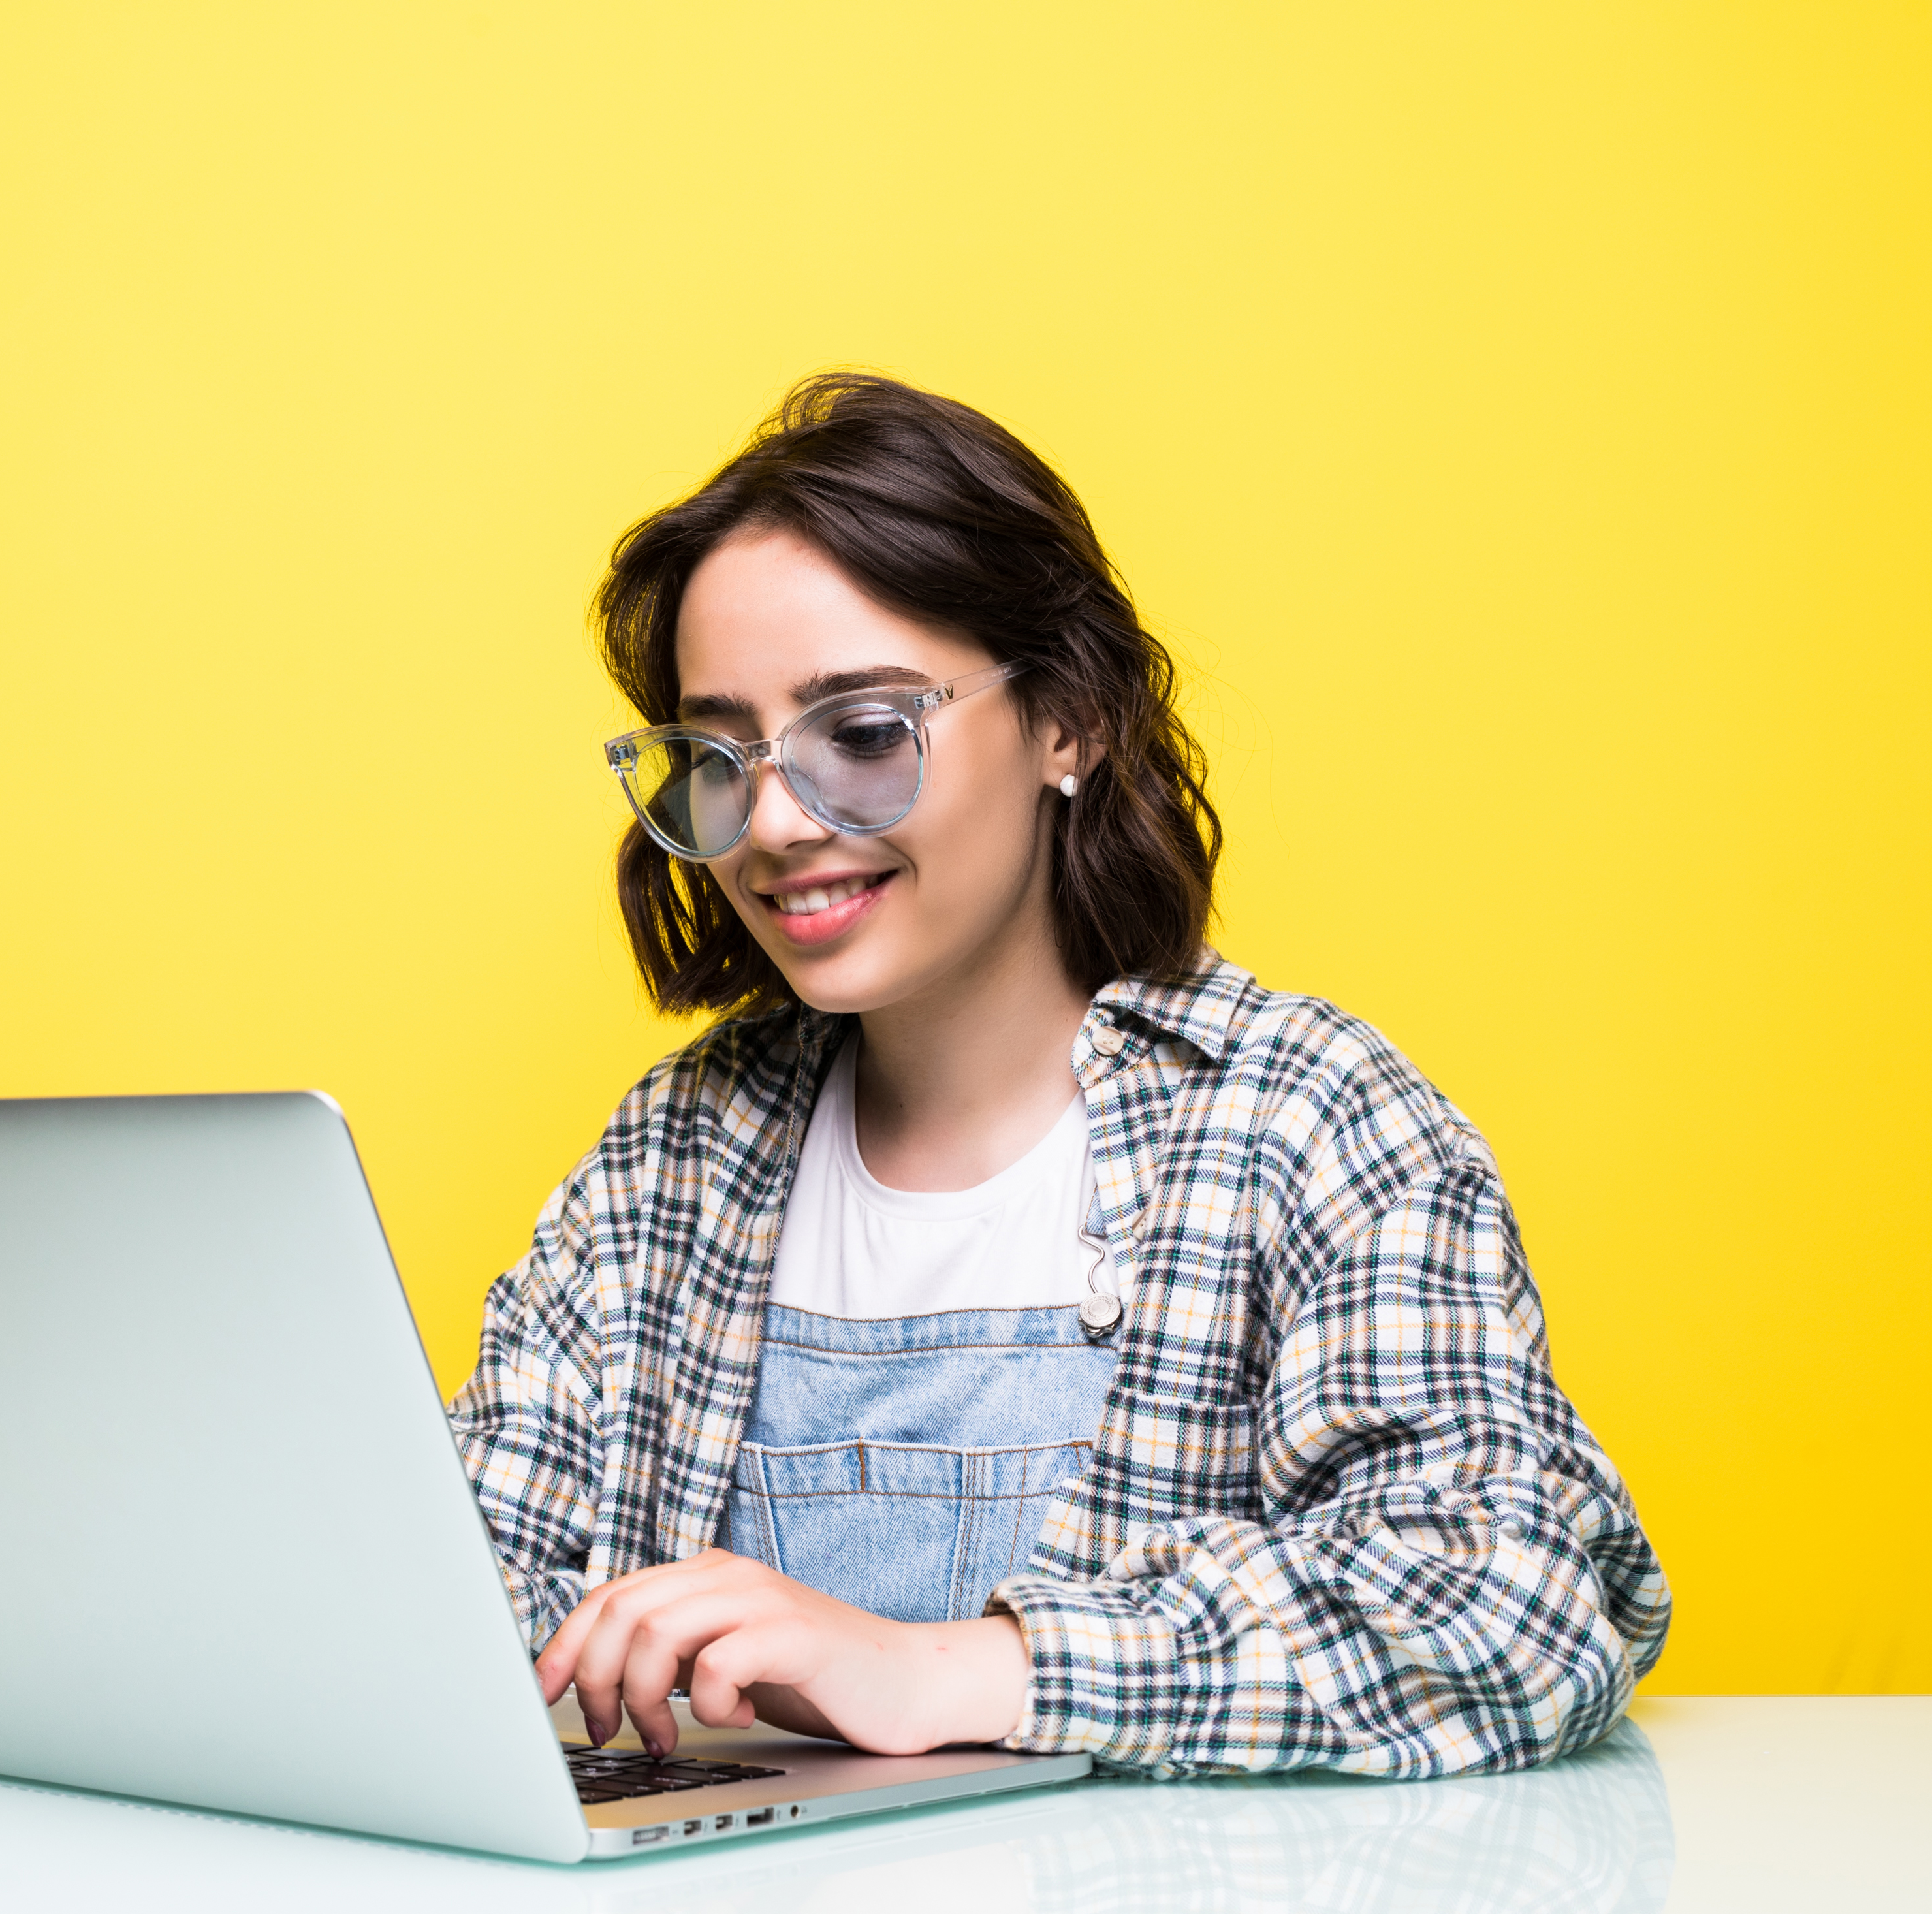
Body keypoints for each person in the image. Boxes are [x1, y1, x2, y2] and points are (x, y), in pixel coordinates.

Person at [449, 374, 1670, 1779]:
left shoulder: (1307, 1123)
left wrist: (955, 1669)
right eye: (719, 756)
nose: (775, 823)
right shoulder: (674, 1161)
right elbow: (467, 1574)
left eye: (861, 732)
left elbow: (1509, 1604)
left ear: (1068, 723)